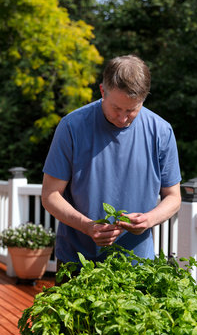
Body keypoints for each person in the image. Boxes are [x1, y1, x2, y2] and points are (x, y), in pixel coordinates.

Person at [41, 54, 182, 272]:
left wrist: (149, 219)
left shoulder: (161, 132)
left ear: (143, 99)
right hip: (77, 262)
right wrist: (88, 227)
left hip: (137, 265)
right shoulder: (71, 126)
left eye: (132, 110)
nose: (123, 118)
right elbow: (50, 195)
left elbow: (173, 197)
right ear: (102, 91)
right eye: (117, 108)